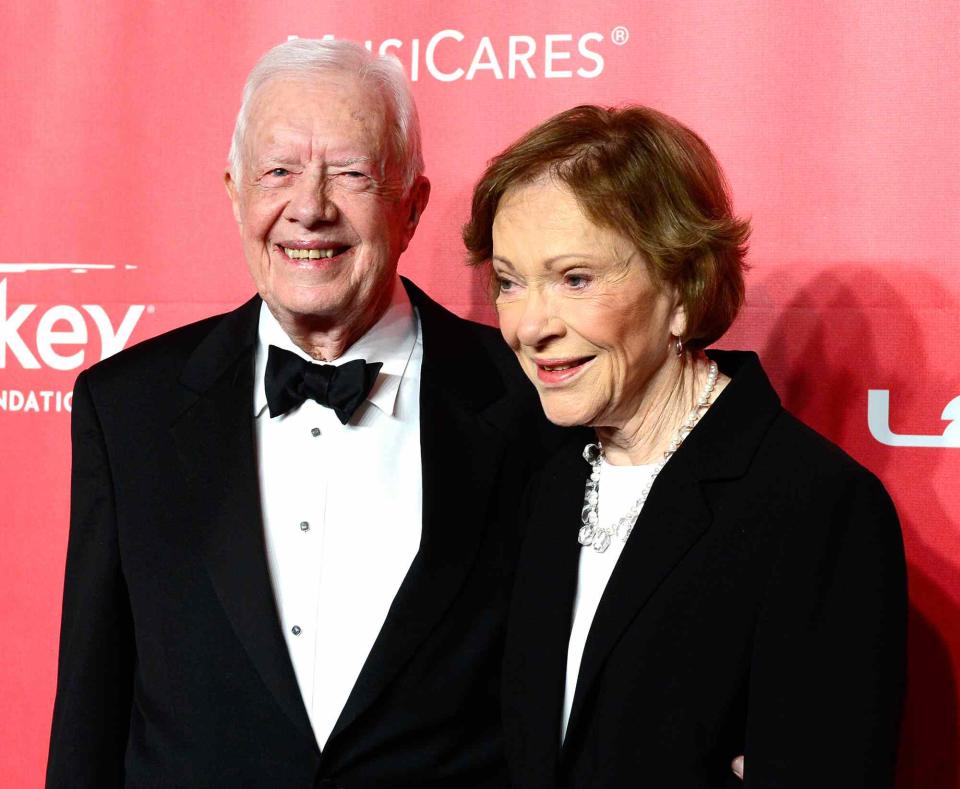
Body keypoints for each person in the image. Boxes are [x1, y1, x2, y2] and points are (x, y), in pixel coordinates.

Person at [46, 39, 557, 788]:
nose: (309, 209)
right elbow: (90, 712)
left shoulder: (529, 402)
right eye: (277, 172)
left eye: (350, 174)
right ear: (234, 192)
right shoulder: (127, 408)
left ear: (411, 206)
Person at [463, 105, 907, 788]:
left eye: (574, 278)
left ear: (682, 286)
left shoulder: (814, 506)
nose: (528, 325)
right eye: (510, 281)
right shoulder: (547, 489)